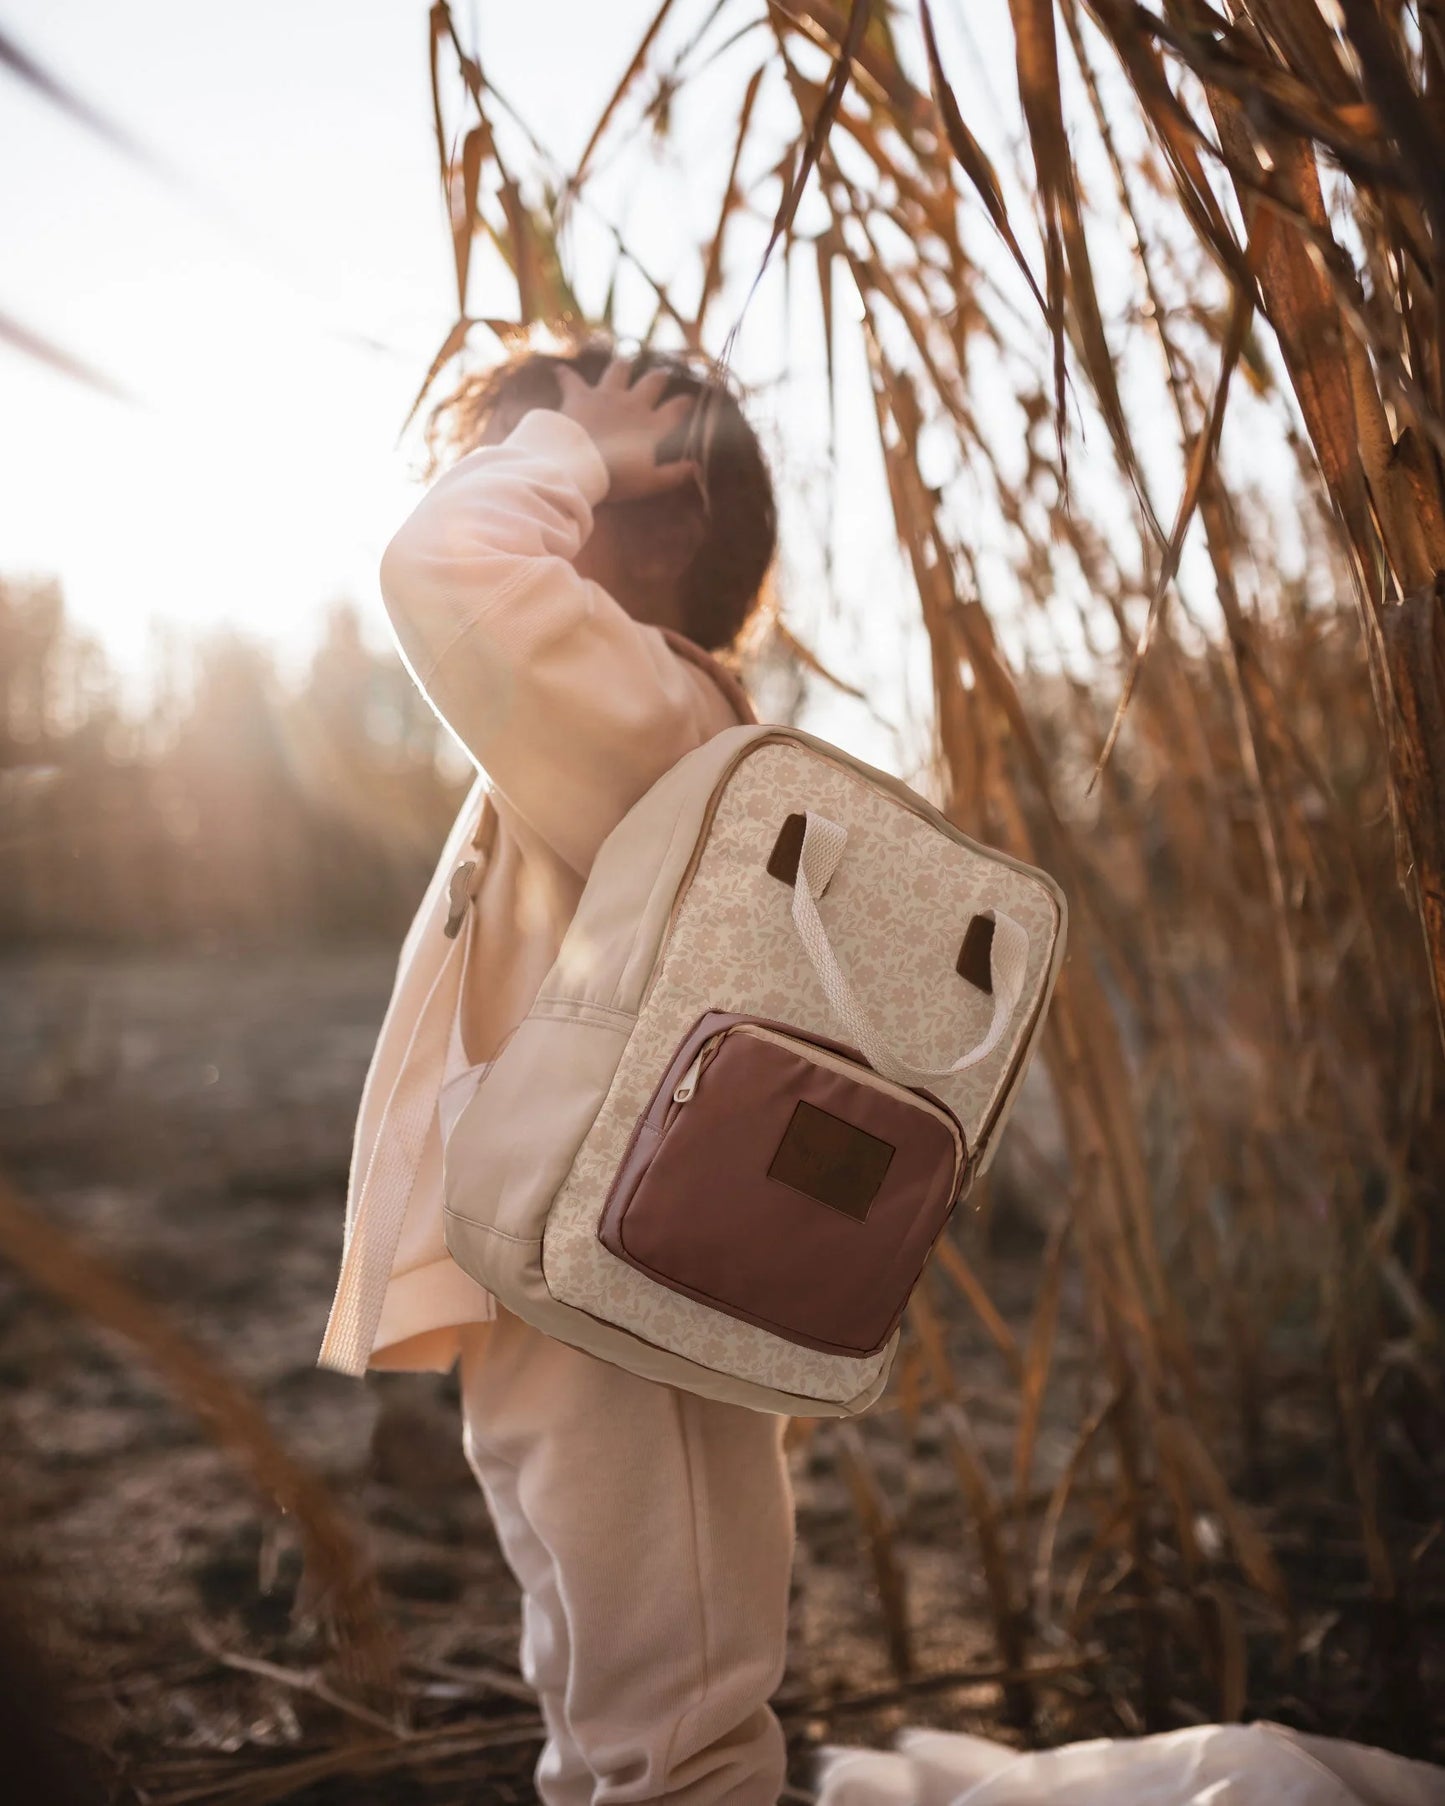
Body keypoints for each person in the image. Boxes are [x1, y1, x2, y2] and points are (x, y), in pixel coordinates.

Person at [320, 333, 794, 1804]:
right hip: (557, 1266)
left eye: (540, 472)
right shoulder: (603, 728)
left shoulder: (653, 715)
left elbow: (442, 568)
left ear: (632, 523)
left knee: (672, 1721)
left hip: (619, 1283)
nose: (509, 492)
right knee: (597, 1697)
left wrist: (572, 446)